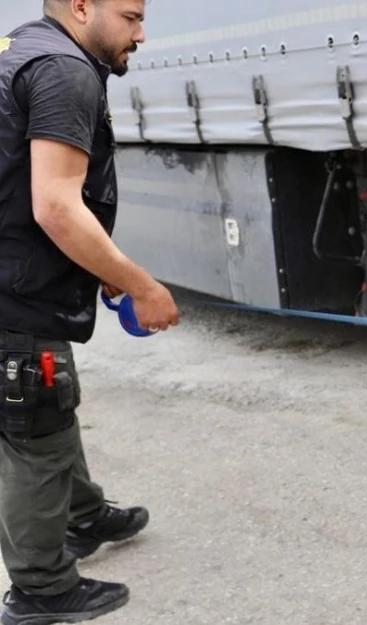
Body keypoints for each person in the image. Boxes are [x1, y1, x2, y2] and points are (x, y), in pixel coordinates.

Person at [0, 0, 179, 622]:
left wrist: (100, 269)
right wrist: (141, 285)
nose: (141, 33)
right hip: (14, 298)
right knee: (35, 432)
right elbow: (56, 206)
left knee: (47, 408)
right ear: (81, 7)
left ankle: (83, 516)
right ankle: (41, 590)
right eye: (130, 17)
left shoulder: (19, 47)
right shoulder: (64, 70)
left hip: (21, 282)